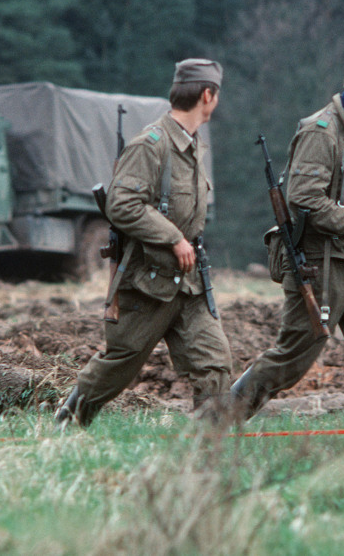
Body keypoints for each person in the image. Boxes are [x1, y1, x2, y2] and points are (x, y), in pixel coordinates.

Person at [230, 41, 344, 426]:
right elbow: (304, 197)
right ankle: (213, 425)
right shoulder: (322, 131)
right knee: (294, 356)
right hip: (322, 262)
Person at [55, 59, 231, 428]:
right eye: (217, 94)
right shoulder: (152, 144)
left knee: (214, 362)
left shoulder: (195, 147)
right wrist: (173, 238)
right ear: (207, 95)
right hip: (148, 280)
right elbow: (122, 204)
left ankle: (209, 448)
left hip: (190, 281)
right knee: (121, 363)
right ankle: (68, 423)